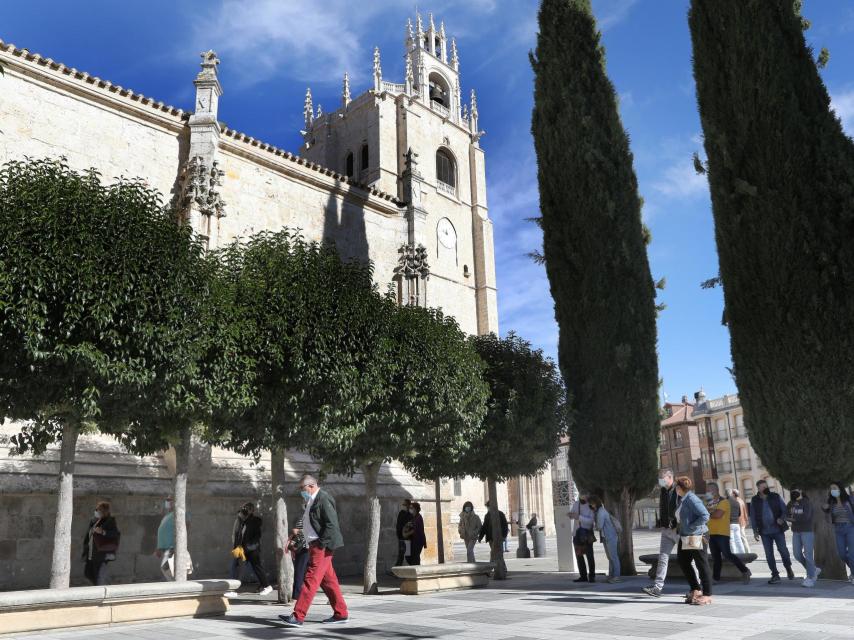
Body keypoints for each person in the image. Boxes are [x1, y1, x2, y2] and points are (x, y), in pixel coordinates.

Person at [279, 474, 349, 627]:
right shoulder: (311, 500)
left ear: (311, 485)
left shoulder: (323, 498)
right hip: (314, 545)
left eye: (302, 488)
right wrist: (295, 537)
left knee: (311, 579)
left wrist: (321, 545)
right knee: (329, 581)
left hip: (321, 546)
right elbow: (310, 524)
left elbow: (331, 524)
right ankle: (341, 613)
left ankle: (298, 616)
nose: (301, 492)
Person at [674, 476, 712, 605]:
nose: (675, 489)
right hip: (686, 535)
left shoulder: (691, 499)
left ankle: (707, 594)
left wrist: (691, 526)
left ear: (679, 488)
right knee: (683, 561)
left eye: (676, 487)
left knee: (701, 564)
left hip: (697, 535)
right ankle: (695, 589)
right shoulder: (684, 499)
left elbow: (705, 515)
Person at [705, 482, 751, 584]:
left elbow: (717, 515)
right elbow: (705, 513)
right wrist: (708, 512)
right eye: (707, 490)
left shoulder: (724, 501)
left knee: (727, 554)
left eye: (710, 490)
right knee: (716, 557)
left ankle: (745, 571)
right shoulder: (707, 502)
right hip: (711, 532)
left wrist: (706, 513)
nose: (708, 492)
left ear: (716, 490)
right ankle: (715, 578)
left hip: (722, 532)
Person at [643, 469, 679, 597]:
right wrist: (661, 521)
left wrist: (675, 522)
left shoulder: (678, 489)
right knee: (663, 558)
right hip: (666, 529)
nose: (660, 482)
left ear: (670, 477)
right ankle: (657, 587)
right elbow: (664, 507)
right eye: (659, 479)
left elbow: (681, 508)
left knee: (688, 558)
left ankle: (698, 585)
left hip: (678, 529)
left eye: (662, 479)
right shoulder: (663, 490)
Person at [750, 479, 794, 584]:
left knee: (783, 551)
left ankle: (788, 568)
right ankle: (775, 574)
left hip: (777, 530)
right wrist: (755, 531)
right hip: (764, 532)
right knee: (769, 555)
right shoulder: (754, 500)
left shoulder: (775, 496)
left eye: (766, 486)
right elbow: (753, 516)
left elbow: (785, 510)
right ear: (758, 489)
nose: (766, 488)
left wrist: (781, 519)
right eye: (763, 487)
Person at [225, 502, 272, 597]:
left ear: (251, 511)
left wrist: (248, 547)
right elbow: (238, 534)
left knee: (257, 568)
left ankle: (267, 586)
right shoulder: (242, 521)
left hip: (251, 549)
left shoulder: (254, 521)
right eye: (244, 509)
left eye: (247, 509)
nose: (244, 511)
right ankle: (233, 590)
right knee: (236, 568)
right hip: (242, 549)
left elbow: (256, 536)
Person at [820, 482, 854, 584]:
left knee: (851, 554)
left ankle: (853, 574)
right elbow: (827, 512)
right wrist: (824, 508)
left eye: (834, 488)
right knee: (842, 554)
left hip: (850, 528)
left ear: (840, 489)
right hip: (838, 530)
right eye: (831, 489)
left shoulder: (849, 499)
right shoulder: (831, 502)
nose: (832, 490)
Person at [82, 501, 120, 586]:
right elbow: (88, 536)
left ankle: (102, 589)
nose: (96, 511)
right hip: (91, 553)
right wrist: (85, 550)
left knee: (99, 575)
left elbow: (115, 534)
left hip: (101, 553)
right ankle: (99, 586)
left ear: (104, 511)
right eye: (96, 509)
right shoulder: (94, 521)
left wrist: (103, 532)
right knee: (88, 573)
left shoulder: (110, 521)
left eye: (98, 510)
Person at [787, 488, 819, 587]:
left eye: (797, 489)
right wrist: (791, 518)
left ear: (801, 491)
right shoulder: (791, 503)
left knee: (808, 554)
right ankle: (813, 570)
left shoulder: (807, 502)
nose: (795, 492)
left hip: (807, 531)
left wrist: (793, 519)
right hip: (796, 531)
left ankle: (811, 578)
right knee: (797, 554)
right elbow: (786, 514)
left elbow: (806, 517)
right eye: (793, 490)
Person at [155, 496, 191, 580]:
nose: (168, 502)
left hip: (173, 547)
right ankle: (176, 584)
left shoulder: (181, 513)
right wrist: (159, 547)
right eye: (167, 500)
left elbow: (187, 527)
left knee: (166, 567)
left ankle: (177, 584)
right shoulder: (167, 516)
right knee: (167, 568)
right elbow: (163, 532)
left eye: (170, 500)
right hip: (166, 548)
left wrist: (179, 544)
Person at [588, 496, 621, 583]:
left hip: (610, 536)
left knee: (613, 557)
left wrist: (593, 525)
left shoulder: (600, 512)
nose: (590, 505)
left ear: (595, 503)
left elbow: (599, 526)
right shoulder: (600, 511)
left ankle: (616, 576)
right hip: (607, 536)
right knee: (610, 557)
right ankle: (611, 575)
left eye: (591, 503)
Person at [569, 494, 597, 583]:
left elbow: (591, 521)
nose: (583, 498)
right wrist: (571, 515)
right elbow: (571, 516)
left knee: (590, 556)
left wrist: (579, 517)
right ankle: (583, 576)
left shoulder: (590, 505)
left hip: (587, 534)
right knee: (579, 556)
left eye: (584, 496)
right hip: (577, 534)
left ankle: (592, 576)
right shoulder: (576, 504)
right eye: (581, 496)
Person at [288, 514, 310, 600]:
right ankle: (297, 594)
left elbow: (313, 531)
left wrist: (298, 531)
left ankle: (297, 594)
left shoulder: (310, 516)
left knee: (300, 571)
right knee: (300, 571)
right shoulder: (303, 517)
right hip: (300, 548)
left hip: (306, 548)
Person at [728, 489, 751, 554]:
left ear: (733, 494)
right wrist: (746, 520)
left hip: (738, 522)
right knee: (741, 538)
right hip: (741, 522)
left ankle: (746, 552)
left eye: (731, 493)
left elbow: (739, 513)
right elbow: (745, 511)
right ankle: (747, 551)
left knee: (739, 539)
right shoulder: (741, 500)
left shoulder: (736, 501)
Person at [393, 498, 412, 569]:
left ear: (408, 505)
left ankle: (409, 570)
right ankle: (396, 570)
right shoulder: (401, 513)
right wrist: (399, 535)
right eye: (403, 504)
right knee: (401, 555)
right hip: (401, 538)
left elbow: (410, 526)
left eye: (404, 504)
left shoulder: (410, 515)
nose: (403, 506)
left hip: (407, 538)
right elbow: (398, 525)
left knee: (407, 555)